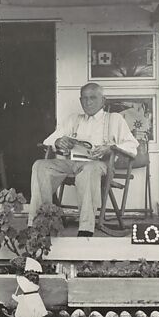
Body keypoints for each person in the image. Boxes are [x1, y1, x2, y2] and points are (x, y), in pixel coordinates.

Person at [29, 83, 138, 236]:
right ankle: (39, 223)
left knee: (89, 169)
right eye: (84, 98)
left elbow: (132, 145)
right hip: (71, 163)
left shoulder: (114, 120)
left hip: (98, 165)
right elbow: (49, 140)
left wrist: (110, 147)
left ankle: (86, 229)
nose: (88, 102)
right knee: (40, 165)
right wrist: (58, 141)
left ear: (103, 100)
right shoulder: (74, 119)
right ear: (80, 101)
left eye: (93, 98)